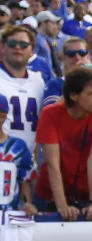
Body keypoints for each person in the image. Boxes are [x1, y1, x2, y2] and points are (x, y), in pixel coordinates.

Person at [34, 65, 92, 220]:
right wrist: (62, 206)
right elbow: (52, 164)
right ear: (74, 96)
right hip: (50, 195)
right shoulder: (50, 113)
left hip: (87, 195)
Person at [0, 24, 46, 154]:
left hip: (30, 159)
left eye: (24, 45)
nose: (18, 47)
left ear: (32, 51)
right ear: (2, 47)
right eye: (12, 43)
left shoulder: (38, 81)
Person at [0, 94, 37, 214]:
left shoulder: (19, 147)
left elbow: (24, 181)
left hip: (9, 217)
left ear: (3, 116)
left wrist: (27, 204)